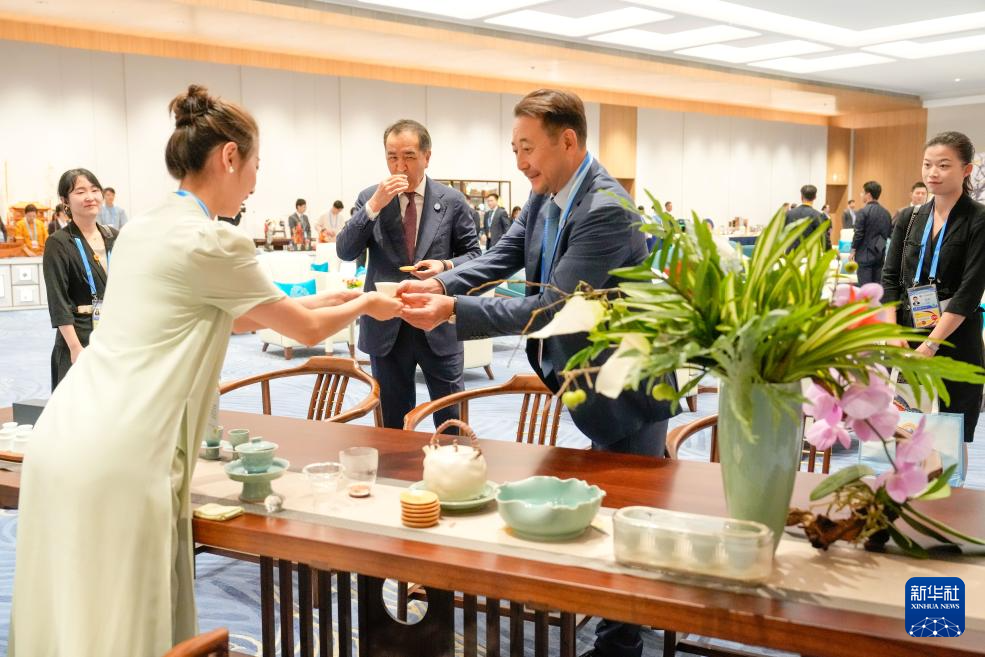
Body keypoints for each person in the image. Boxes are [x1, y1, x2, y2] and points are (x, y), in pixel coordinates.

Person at [10, 84, 402, 657]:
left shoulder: (141, 228)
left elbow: (236, 315)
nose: (256, 180)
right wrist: (368, 301)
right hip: (122, 452)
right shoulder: (214, 239)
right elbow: (304, 329)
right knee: (124, 629)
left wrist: (347, 298)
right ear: (229, 157)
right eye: (256, 165)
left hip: (65, 435)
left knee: (68, 622)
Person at [397, 89, 675, 657]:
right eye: (515, 149)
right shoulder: (546, 194)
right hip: (585, 376)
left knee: (627, 515)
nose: (521, 162)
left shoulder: (606, 209)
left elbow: (553, 308)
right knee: (612, 504)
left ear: (567, 140)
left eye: (528, 148)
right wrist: (440, 283)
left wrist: (451, 310)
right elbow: (503, 255)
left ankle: (621, 643)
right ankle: (621, 620)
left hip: (627, 385)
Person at [335, 118, 480, 429]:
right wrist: (374, 205)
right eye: (392, 157)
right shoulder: (371, 198)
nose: (400, 167)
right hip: (387, 326)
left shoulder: (452, 201)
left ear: (427, 156)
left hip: (438, 323)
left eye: (409, 157)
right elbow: (345, 251)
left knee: (451, 420)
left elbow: (475, 257)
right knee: (392, 423)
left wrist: (445, 266)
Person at [883, 131, 985, 461]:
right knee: (904, 425)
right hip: (907, 334)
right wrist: (893, 333)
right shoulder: (909, 217)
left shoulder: (978, 219)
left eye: (943, 165)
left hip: (955, 339)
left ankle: (950, 490)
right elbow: (890, 280)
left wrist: (931, 344)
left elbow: (969, 291)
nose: (933, 173)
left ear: (966, 170)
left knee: (950, 433)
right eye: (927, 165)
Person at [42, 171, 119, 390]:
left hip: (112, 337)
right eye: (80, 191)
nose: (90, 197)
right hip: (78, 339)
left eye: (95, 190)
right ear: (65, 200)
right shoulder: (58, 243)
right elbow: (58, 301)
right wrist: (75, 348)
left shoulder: (113, 236)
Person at [850, 180, 893, 285]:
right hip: (880, 256)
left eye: (862, 193)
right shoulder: (886, 213)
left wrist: (853, 250)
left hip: (864, 257)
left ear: (868, 195)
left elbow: (858, 234)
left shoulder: (863, 212)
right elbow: (888, 234)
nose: (861, 195)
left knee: (865, 289)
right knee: (876, 289)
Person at [784, 184, 830, 249]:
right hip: (808, 253)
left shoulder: (789, 214)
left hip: (791, 254)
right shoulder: (818, 215)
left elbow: (782, 235)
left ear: (801, 197)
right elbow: (824, 238)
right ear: (815, 197)